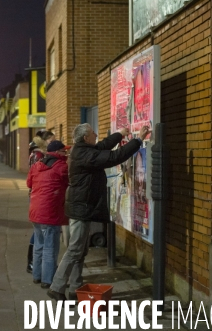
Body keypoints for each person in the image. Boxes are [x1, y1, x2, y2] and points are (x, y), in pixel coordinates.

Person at [47, 123, 150, 301]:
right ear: (86, 137)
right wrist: (138, 140)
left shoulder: (83, 149)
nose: (96, 135)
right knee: (75, 249)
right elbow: (113, 157)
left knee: (80, 250)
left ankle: (75, 288)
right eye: (93, 133)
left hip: (82, 207)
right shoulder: (84, 154)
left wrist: (119, 135)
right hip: (81, 208)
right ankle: (56, 287)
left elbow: (102, 146)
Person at [27, 140, 70, 288]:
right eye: (64, 151)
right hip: (50, 213)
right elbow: (70, 181)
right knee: (50, 248)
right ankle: (48, 280)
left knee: (39, 245)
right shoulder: (61, 166)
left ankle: (37, 276)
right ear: (58, 153)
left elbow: (29, 184)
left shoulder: (36, 165)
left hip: (35, 211)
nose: (66, 153)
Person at [26, 130, 46, 273]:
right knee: (39, 231)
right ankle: (32, 262)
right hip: (39, 195)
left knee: (38, 230)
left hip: (35, 194)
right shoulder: (38, 155)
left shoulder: (34, 153)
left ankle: (33, 263)